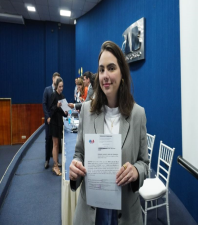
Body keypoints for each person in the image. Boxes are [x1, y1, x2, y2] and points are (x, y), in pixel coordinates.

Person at [69, 41, 149, 225]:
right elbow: (79, 153)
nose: (105, 75)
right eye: (102, 69)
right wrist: (76, 166)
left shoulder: (138, 115)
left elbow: (144, 162)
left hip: (125, 212)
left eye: (111, 68)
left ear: (122, 73)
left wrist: (136, 171)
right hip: (91, 212)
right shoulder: (86, 111)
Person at [49, 77, 68, 176]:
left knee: (57, 144)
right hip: (54, 123)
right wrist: (56, 106)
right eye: (60, 86)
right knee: (55, 144)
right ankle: (55, 166)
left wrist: (66, 112)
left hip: (60, 123)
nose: (61, 88)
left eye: (62, 86)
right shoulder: (53, 95)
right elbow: (50, 110)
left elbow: (64, 112)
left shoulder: (62, 96)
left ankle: (56, 164)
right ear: (56, 86)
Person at [42, 72, 60, 169]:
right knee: (48, 139)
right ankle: (47, 160)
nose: (57, 81)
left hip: (56, 120)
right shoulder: (47, 90)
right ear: (53, 79)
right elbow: (44, 104)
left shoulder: (58, 91)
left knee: (57, 141)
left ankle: (56, 162)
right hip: (49, 119)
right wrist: (48, 116)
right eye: (56, 79)